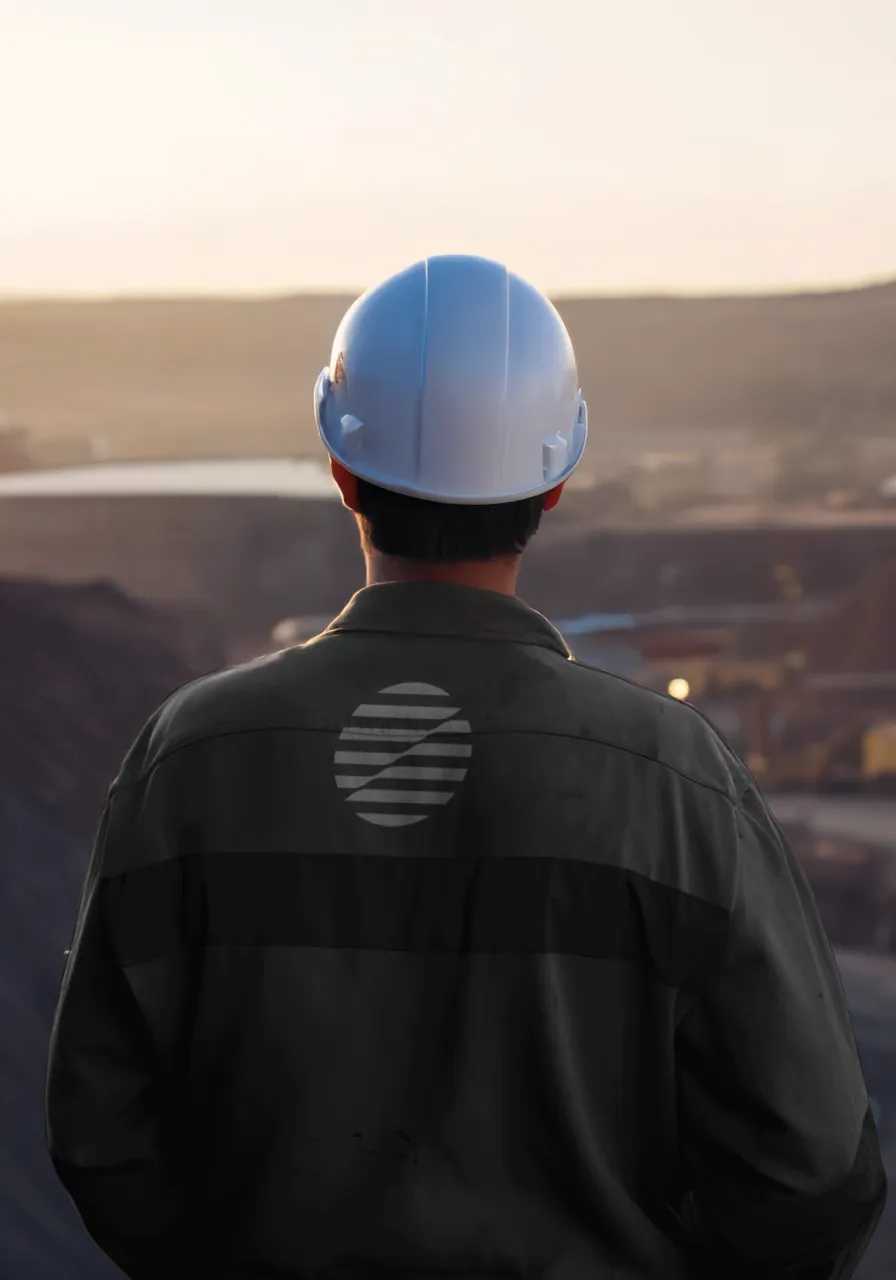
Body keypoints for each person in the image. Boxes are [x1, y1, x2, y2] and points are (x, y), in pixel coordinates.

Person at [46, 254, 886, 1280]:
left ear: (341, 468)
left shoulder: (191, 756)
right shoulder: (675, 777)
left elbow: (101, 1130)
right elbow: (813, 1172)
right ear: (554, 478)